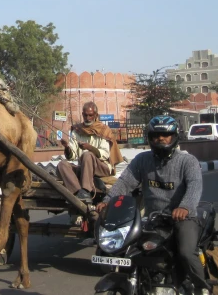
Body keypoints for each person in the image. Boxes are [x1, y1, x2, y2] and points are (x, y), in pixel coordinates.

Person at [96, 116, 209, 294]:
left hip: (183, 218)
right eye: (156, 135)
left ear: (174, 136)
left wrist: (185, 207)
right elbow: (125, 182)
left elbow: (195, 186)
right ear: (150, 137)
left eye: (166, 135)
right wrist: (107, 201)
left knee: (186, 252)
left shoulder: (187, 161)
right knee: (133, 250)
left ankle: (202, 288)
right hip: (153, 218)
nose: (161, 139)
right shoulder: (142, 160)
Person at [57, 102, 124, 202]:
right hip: (84, 168)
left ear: (95, 115)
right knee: (62, 165)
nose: (87, 118)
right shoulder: (77, 130)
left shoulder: (104, 130)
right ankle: (77, 192)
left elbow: (105, 154)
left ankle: (86, 189)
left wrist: (90, 148)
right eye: (85, 115)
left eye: (90, 115)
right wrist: (67, 147)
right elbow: (72, 156)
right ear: (82, 114)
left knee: (87, 155)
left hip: (101, 167)